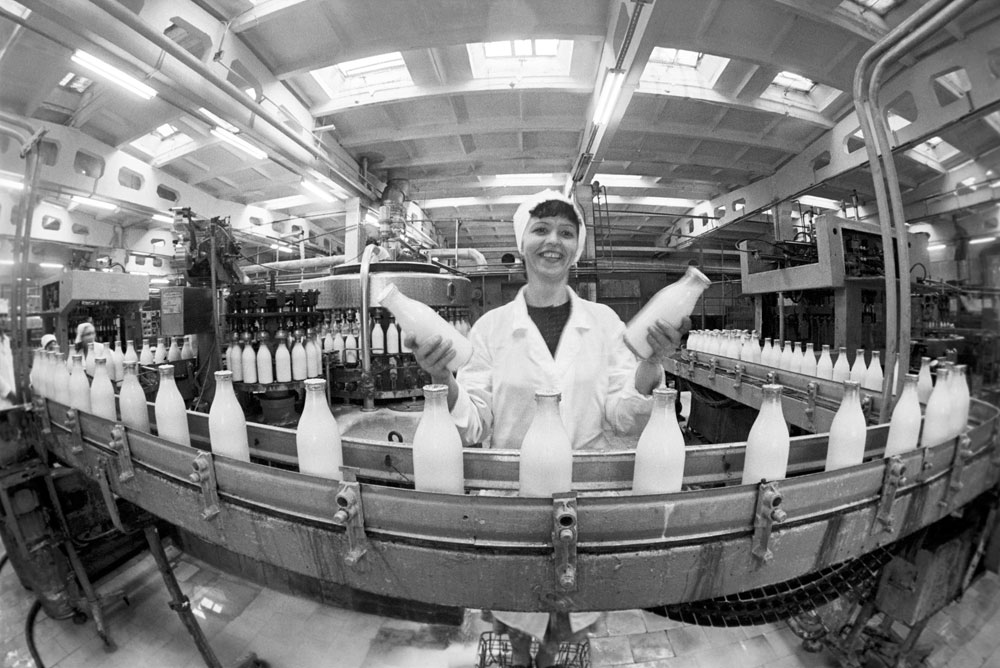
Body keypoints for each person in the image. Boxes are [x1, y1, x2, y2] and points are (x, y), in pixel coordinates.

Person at [407, 189, 689, 668]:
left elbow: (625, 415)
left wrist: (652, 365)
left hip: (585, 502)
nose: (552, 241)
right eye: (540, 230)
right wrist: (442, 379)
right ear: (522, 242)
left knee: (571, 636)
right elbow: (475, 425)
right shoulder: (491, 329)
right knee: (514, 631)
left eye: (565, 232)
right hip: (513, 505)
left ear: (576, 246)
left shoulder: (604, 323)